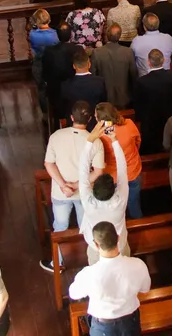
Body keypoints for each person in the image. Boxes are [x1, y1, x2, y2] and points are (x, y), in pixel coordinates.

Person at [40, 100, 105, 273]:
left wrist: (64, 185)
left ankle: (57, 262)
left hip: (61, 193)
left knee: (60, 227)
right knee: (88, 226)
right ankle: (94, 261)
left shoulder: (56, 136)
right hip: (84, 192)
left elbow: (49, 164)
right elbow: (98, 171)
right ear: (90, 119)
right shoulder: (96, 142)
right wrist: (77, 185)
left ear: (70, 117)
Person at [69, 221, 151, 336]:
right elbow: (145, 289)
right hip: (130, 321)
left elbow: (73, 293)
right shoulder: (138, 265)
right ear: (118, 238)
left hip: (103, 326)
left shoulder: (89, 274)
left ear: (96, 245)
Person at [79, 122, 130, 265]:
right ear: (113, 190)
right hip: (119, 247)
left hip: (96, 248)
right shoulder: (120, 200)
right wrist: (114, 139)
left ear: (93, 189)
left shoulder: (88, 202)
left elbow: (83, 169)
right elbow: (122, 169)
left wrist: (90, 140)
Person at [95, 103, 142, 219]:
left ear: (99, 119)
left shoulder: (99, 135)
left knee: (115, 208)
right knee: (134, 203)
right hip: (133, 171)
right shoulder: (129, 124)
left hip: (113, 175)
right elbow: (138, 141)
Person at [134, 48, 172, 155]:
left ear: (148, 62)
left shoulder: (142, 81)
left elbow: (138, 102)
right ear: (163, 61)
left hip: (150, 120)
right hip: (169, 115)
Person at [91, 24, 137, 109]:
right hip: (124, 99)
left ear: (107, 35)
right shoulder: (128, 52)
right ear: (120, 36)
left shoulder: (97, 53)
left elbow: (92, 77)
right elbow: (134, 76)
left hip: (104, 101)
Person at [41, 23, 81, 117]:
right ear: (71, 34)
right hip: (75, 89)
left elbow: (45, 74)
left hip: (56, 91)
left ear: (57, 35)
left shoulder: (48, 51)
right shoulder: (78, 49)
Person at [61, 49, 106, 122]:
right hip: (95, 124)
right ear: (89, 64)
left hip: (74, 125)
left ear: (74, 66)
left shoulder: (65, 85)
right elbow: (103, 104)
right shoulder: (99, 82)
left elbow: (64, 108)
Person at [29, 8, 59, 112]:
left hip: (39, 63)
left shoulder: (32, 34)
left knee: (41, 89)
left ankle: (45, 113)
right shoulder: (55, 34)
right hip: (53, 63)